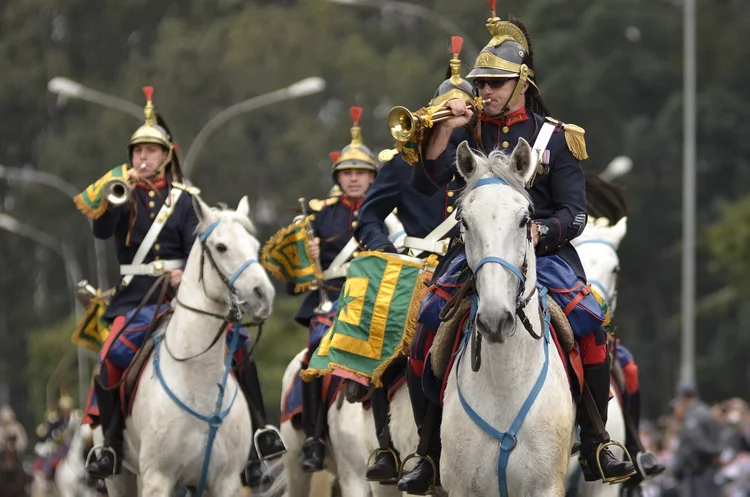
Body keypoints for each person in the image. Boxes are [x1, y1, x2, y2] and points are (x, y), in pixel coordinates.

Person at [396, 8, 635, 493]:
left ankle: (595, 440)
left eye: (496, 83)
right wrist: (444, 128)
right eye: (482, 83)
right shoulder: (469, 130)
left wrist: (539, 234)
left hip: (542, 252)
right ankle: (426, 448)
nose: (484, 91)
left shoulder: (556, 137)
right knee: (424, 324)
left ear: (522, 82)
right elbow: (429, 183)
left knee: (589, 320)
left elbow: (576, 213)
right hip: (475, 252)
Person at [76, 87, 284, 480]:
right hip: (134, 300)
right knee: (109, 358)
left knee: (239, 347)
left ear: (166, 155)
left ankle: (260, 433)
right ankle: (112, 446)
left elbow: (199, 249)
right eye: (137, 151)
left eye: (151, 151)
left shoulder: (187, 201)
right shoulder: (123, 195)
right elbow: (101, 231)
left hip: (179, 297)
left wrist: (182, 274)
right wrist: (116, 190)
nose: (143, 157)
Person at [353, 36, 468, 484]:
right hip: (418, 267)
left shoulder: (488, 157)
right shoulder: (405, 162)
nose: (456, 122)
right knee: (388, 331)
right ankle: (386, 444)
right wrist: (385, 251)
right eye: (448, 114)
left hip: (473, 263)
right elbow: (369, 215)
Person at [296, 107, 378, 472]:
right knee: (314, 354)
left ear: (373, 177)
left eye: (361, 172)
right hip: (332, 303)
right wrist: (307, 257)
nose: (354, 179)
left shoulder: (386, 213)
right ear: (338, 177)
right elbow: (293, 281)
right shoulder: (318, 216)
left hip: (378, 301)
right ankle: (314, 438)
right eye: (348, 173)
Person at [671, 382, 722, 497]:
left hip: (697, 472)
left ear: (682, 397)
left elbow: (692, 446)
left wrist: (677, 469)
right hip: (708, 470)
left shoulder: (693, 415)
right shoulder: (706, 411)